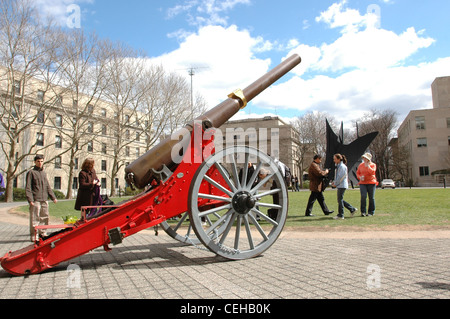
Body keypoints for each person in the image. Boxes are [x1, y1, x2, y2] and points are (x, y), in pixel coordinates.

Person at [25, 155, 57, 241]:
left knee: (45, 217)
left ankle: (43, 233)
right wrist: (30, 199)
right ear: (35, 162)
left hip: (44, 199)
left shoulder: (44, 173)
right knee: (35, 218)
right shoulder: (31, 173)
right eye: (38, 161)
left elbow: (47, 186)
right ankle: (34, 235)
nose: (40, 163)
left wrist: (53, 197)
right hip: (35, 199)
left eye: (41, 161)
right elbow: (28, 187)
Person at [331, 154, 357, 220]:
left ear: (339, 159)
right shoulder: (339, 166)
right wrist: (334, 182)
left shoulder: (342, 166)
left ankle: (341, 215)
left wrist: (335, 184)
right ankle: (352, 209)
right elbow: (337, 176)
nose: (334, 160)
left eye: (335, 159)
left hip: (341, 185)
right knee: (340, 199)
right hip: (340, 185)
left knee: (340, 200)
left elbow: (341, 177)